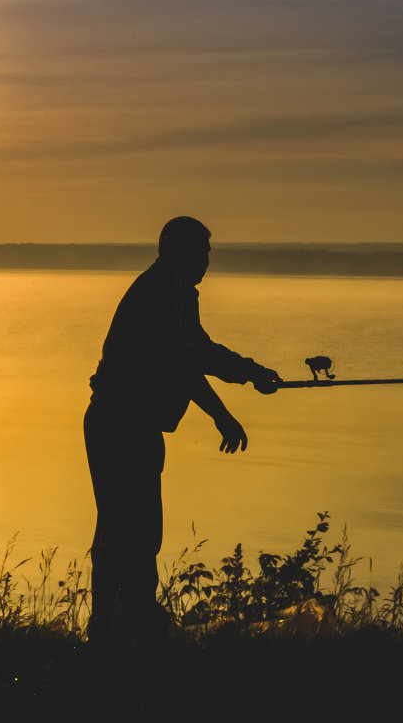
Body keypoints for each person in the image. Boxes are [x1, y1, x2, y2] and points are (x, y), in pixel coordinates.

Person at [84, 216, 280, 644]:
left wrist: (252, 372)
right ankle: (119, 632)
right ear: (180, 253)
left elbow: (200, 349)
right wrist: (222, 415)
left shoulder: (169, 289)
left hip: (124, 423)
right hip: (123, 424)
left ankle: (117, 631)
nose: (208, 261)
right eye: (203, 252)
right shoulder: (168, 286)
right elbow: (184, 362)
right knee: (131, 533)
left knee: (127, 531)